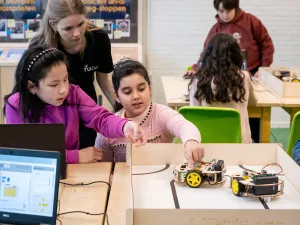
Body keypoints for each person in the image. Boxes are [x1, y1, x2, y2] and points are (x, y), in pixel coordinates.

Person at [3, 46, 146, 164]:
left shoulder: (73, 93)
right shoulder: (16, 105)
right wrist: (76, 156)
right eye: (54, 84)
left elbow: (101, 118)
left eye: (65, 79)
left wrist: (125, 126)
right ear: (32, 87)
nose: (63, 89)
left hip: (72, 171)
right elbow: (24, 152)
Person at [29, 0, 115, 149]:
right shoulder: (39, 47)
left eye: (81, 24)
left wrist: (120, 108)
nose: (76, 33)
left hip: (87, 111)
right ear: (53, 25)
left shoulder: (98, 39)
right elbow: (33, 91)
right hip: (53, 115)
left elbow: (104, 81)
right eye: (68, 28)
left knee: (88, 160)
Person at [95, 59, 205, 167]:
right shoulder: (108, 126)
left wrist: (191, 141)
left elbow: (184, 126)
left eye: (141, 89)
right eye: (127, 92)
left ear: (150, 89)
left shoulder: (161, 114)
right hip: (125, 182)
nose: (136, 96)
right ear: (117, 97)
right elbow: (104, 168)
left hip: (161, 181)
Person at [189, 33, 257, 143]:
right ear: (236, 55)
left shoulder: (198, 80)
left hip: (207, 143)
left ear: (207, 55)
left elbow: (193, 111)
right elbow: (252, 102)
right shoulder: (244, 77)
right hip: (238, 143)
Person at [187, 0, 274, 78]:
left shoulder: (251, 21)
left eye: (228, 11)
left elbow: (267, 45)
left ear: (235, 8)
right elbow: (206, 53)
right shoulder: (216, 29)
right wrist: (195, 69)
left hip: (254, 72)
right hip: (227, 76)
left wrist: (263, 69)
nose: (225, 15)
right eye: (221, 11)